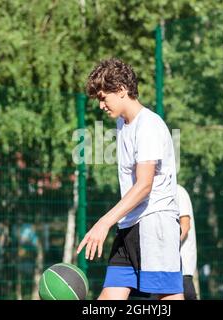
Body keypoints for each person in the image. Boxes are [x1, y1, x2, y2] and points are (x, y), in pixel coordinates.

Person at [77, 58, 183, 300]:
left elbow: (145, 185)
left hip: (155, 224)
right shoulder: (123, 124)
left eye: (103, 97)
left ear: (122, 90)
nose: (101, 105)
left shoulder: (149, 125)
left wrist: (104, 222)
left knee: (167, 299)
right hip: (129, 226)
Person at [177, 184, 198, 300]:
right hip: (162, 269)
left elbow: (185, 226)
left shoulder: (177, 191)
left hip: (182, 270)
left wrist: (167, 249)